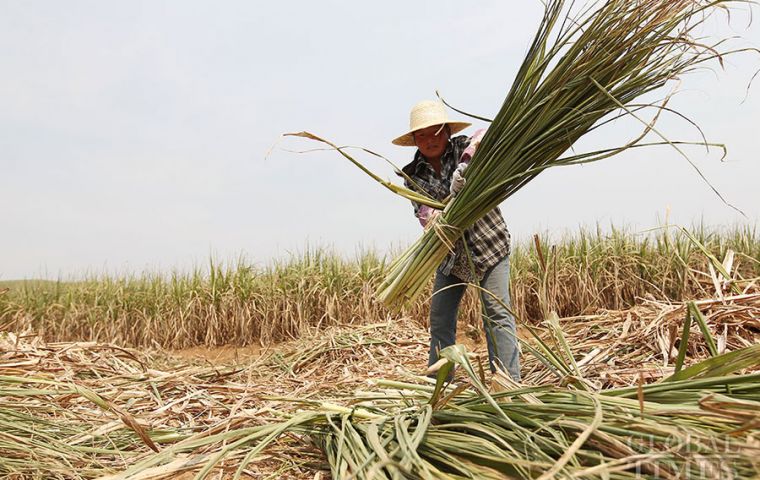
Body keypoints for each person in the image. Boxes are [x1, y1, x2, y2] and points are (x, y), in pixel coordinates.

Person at [393, 100, 520, 381]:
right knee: (440, 321)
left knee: (497, 315)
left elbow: (487, 133)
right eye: (422, 135)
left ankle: (507, 384)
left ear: (447, 131)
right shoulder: (412, 175)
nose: (430, 140)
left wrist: (465, 167)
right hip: (448, 256)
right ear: (414, 140)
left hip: (488, 246)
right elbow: (424, 215)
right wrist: (440, 213)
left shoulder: (464, 147)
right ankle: (439, 386)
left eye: (435, 132)